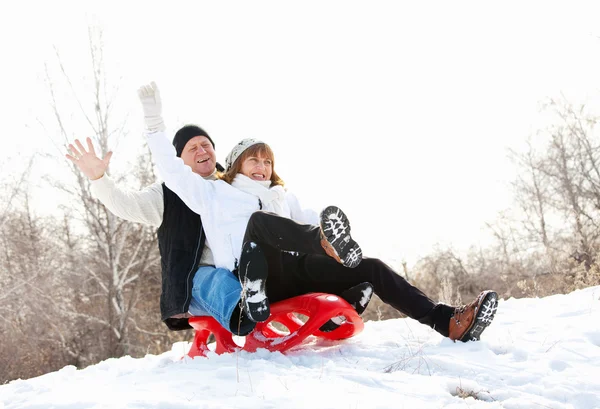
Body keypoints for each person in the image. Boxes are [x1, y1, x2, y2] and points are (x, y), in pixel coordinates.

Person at [139, 82, 499, 343]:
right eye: (254, 160)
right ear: (235, 165)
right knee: (260, 224)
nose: (262, 167)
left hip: (291, 271)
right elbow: (172, 171)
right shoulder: (213, 193)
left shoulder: (281, 196)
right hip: (251, 275)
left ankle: (445, 320)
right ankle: (323, 247)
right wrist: (155, 122)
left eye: (268, 161)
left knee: (369, 266)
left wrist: (331, 237)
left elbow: (309, 215)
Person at [65, 115, 368, 336]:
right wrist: (98, 179)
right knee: (208, 275)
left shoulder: (233, 182)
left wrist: (319, 235)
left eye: (205, 145)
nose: (202, 151)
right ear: (177, 161)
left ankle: (329, 306)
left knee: (286, 259)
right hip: (198, 286)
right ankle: (240, 316)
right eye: (192, 148)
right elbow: (124, 204)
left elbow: (280, 204)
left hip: (247, 267)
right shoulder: (166, 195)